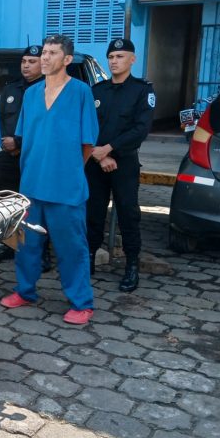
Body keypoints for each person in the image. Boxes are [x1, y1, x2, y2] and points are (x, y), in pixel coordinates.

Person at [0, 35, 99, 325]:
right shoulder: (31, 95)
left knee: (71, 248)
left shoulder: (80, 93)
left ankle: (82, 303)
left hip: (66, 188)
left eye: (52, 53)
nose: (45, 58)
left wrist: (68, 170)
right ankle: (25, 291)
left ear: (67, 60)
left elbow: (88, 143)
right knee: (26, 245)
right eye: (44, 52)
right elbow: (24, 138)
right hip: (32, 184)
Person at [86, 38, 155, 292]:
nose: (115, 61)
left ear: (132, 59)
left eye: (120, 57)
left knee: (128, 214)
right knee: (93, 213)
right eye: (112, 57)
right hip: (95, 162)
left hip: (124, 163)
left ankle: (131, 266)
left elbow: (141, 129)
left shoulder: (142, 91)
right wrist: (100, 155)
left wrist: (110, 149)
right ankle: (89, 259)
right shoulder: (98, 90)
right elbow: (88, 126)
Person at [0, 45, 50, 266]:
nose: (26, 65)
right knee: (7, 205)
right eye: (24, 61)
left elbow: (44, 127)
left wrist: (19, 142)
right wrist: (7, 143)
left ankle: (41, 253)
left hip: (34, 158)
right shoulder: (11, 89)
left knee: (35, 207)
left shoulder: (47, 90)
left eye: (32, 61)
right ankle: (8, 246)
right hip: (8, 157)